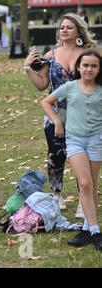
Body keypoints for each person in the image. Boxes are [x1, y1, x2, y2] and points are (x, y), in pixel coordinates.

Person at [23, 13, 97, 215]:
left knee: (82, 156)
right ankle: (56, 195)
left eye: (69, 27)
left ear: (78, 31)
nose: (64, 30)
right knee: (56, 154)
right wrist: (28, 67)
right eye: (62, 27)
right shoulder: (51, 55)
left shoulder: (88, 55)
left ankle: (85, 199)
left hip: (82, 112)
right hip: (54, 112)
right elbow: (42, 85)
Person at [41, 50, 102, 251]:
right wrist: (57, 121)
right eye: (85, 65)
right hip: (75, 141)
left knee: (91, 186)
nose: (89, 69)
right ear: (78, 67)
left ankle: (87, 228)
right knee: (84, 183)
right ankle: (95, 231)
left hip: (96, 141)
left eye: (93, 66)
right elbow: (46, 101)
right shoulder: (70, 87)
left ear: (98, 69)